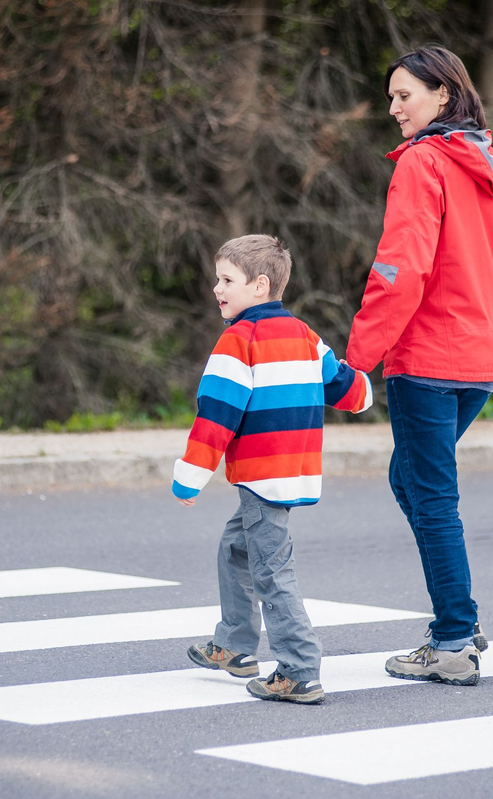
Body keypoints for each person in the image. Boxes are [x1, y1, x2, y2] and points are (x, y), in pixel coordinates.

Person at [345, 45, 493, 686]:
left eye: (404, 96)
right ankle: (458, 622)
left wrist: (358, 361)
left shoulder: (423, 163)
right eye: (390, 97)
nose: (393, 109)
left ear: (444, 95)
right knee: (411, 481)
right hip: (478, 357)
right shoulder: (489, 163)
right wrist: (486, 334)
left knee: (432, 496)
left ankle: (453, 639)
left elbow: (399, 269)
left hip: (428, 359)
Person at [173, 234, 373, 705]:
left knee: (272, 571)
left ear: (260, 285)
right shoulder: (305, 336)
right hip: (292, 470)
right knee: (235, 548)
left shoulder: (238, 340)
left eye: (227, 280)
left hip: (262, 476)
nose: (216, 288)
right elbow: (346, 388)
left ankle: (299, 670)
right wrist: (365, 389)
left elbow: (215, 414)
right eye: (216, 278)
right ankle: (235, 645)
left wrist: (190, 475)